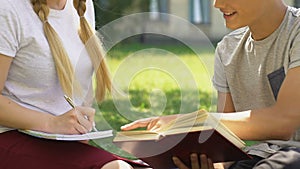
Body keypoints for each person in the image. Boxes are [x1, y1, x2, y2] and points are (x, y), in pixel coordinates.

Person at [121, 0, 300, 168]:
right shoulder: (227, 50)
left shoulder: (296, 31)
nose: (216, 4)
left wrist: (192, 121)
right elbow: (226, 140)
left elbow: (283, 122)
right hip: (257, 157)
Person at [0, 0, 142, 168]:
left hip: (64, 141)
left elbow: (81, 86)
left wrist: (80, 126)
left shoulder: (83, 4)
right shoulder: (8, 9)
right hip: (11, 137)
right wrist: (53, 123)